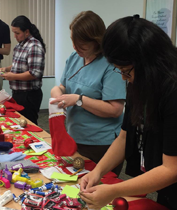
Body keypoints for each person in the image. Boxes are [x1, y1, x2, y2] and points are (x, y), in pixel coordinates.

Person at [79, 15, 177, 210]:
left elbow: (174, 169)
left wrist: (112, 191)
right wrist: (97, 172)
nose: (125, 78)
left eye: (126, 70)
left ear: (148, 62)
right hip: (169, 189)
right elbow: (125, 137)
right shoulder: (141, 81)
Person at [50, 11, 126, 174]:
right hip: (74, 137)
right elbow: (64, 86)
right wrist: (57, 91)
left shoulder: (111, 65)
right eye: (73, 42)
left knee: (96, 191)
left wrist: (79, 100)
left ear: (97, 41)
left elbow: (115, 110)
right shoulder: (74, 57)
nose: (75, 48)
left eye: (82, 45)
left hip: (101, 145)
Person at [0, 15, 45, 125]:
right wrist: (6, 68)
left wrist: (12, 76)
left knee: (29, 124)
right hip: (18, 93)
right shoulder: (19, 46)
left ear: (26, 32)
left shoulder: (34, 46)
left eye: (17, 33)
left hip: (29, 95)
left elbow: (34, 73)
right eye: (13, 33)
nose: (15, 36)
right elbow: (18, 65)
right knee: (19, 124)